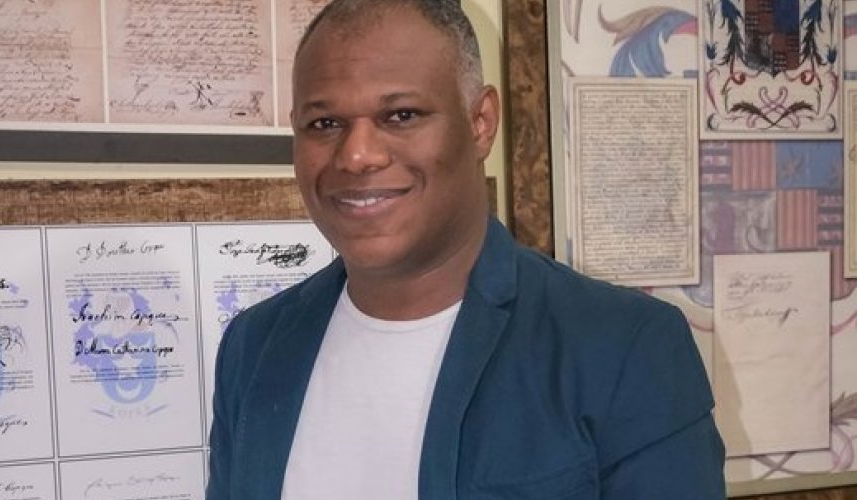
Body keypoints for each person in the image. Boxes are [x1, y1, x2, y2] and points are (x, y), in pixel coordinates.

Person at [206, 0, 726, 498]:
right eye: (324, 124)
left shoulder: (623, 348)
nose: (357, 155)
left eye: (401, 115)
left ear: (480, 123)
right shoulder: (254, 347)